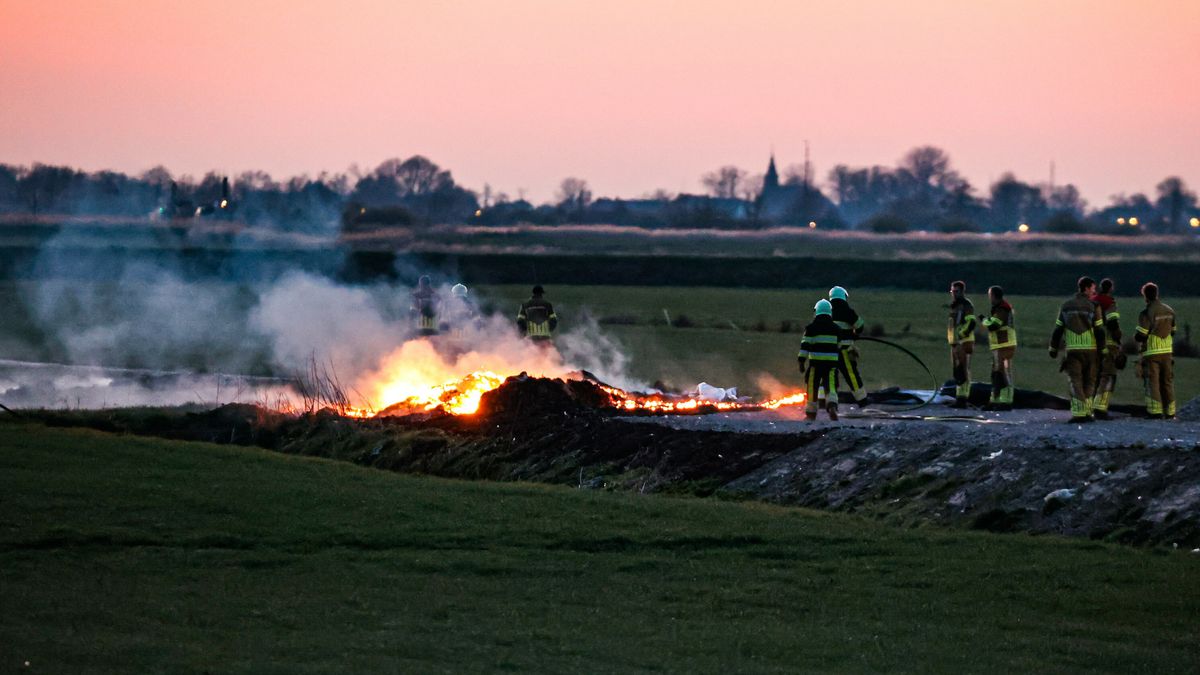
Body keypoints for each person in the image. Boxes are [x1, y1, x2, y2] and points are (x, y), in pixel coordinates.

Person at [1049, 276, 1106, 423]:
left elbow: (1058, 329)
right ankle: (1087, 412)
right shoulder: (1094, 306)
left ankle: (1079, 413)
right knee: (1090, 381)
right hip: (1091, 350)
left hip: (1073, 350)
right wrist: (1103, 350)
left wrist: (1053, 348)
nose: (1094, 291)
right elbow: (1099, 331)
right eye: (1093, 288)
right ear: (1086, 288)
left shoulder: (1066, 306)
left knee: (1075, 381)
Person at [798, 299, 845, 422]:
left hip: (815, 364)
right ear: (830, 312)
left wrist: (801, 362)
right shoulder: (836, 329)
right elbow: (840, 346)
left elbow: (805, 346)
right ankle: (832, 406)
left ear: (816, 312)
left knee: (812, 388)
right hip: (831, 364)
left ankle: (811, 414)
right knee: (831, 387)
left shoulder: (811, 328)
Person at [1135, 282, 1177, 419]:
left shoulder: (1147, 312)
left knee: (1152, 382)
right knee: (1167, 382)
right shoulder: (1169, 310)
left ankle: (1155, 412)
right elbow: (1173, 331)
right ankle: (1170, 412)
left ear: (1145, 295)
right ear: (1157, 293)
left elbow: (1141, 335)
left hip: (1152, 352)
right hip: (1167, 351)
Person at [829, 286, 868, 407]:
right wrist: (854, 334)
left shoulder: (825, 312)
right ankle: (862, 401)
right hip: (844, 350)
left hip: (828, 351)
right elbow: (860, 326)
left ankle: (828, 402)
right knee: (852, 376)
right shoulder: (847, 311)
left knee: (829, 377)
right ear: (843, 297)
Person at [1091, 278, 1124, 419]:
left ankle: (1089, 405)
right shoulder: (1109, 302)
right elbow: (1112, 323)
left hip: (1092, 344)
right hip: (1108, 343)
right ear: (1111, 288)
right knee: (1108, 376)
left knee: (1094, 375)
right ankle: (1100, 407)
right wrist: (1119, 340)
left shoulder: (1091, 300)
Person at [980, 286, 1017, 411]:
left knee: (1003, 373)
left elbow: (994, 326)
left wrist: (984, 321)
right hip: (999, 345)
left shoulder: (1002, 308)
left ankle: (1006, 402)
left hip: (1004, 344)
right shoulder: (1000, 308)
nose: (989, 298)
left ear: (994, 296)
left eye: (990, 295)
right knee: (996, 373)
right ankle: (995, 400)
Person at [947, 281, 977, 408]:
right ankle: (959, 397)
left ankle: (963, 398)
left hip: (963, 341)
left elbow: (971, 322)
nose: (954, 294)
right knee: (957, 371)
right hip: (954, 342)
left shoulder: (966, 305)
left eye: (956, 291)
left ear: (962, 292)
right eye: (952, 291)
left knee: (963, 370)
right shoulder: (954, 305)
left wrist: (961, 335)